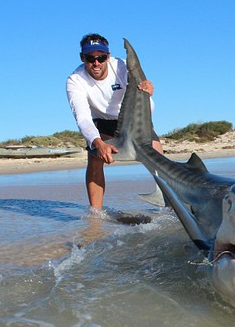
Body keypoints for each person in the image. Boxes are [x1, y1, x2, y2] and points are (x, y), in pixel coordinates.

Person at [66, 33, 164, 211]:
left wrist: (148, 88)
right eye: (90, 58)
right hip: (103, 123)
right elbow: (83, 118)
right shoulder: (75, 80)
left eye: (101, 57)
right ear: (82, 58)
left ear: (108, 56)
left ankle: (172, 206)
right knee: (95, 158)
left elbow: (143, 90)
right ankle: (96, 214)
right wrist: (97, 142)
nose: (96, 63)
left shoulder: (121, 66)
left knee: (159, 159)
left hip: (134, 119)